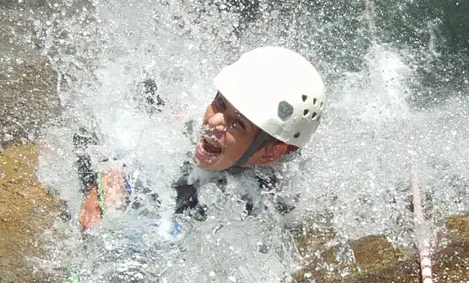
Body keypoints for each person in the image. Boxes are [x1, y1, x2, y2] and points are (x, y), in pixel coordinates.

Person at [77, 46, 325, 231]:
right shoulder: (194, 124)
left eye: (237, 125)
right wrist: (110, 176)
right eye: (219, 104)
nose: (215, 121)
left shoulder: (261, 199)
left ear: (271, 153)